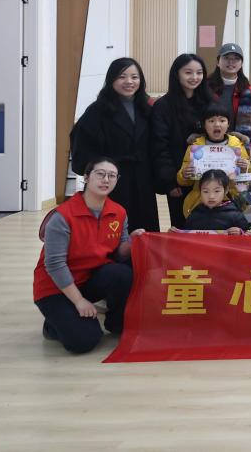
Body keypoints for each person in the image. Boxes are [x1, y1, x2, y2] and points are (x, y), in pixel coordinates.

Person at [33, 158, 141, 354]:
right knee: (84, 341)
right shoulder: (62, 216)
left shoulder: (118, 212)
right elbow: (54, 264)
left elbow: (118, 254)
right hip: (55, 287)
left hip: (88, 279)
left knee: (122, 273)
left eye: (112, 175)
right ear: (86, 177)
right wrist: (79, 301)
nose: (106, 179)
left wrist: (132, 242)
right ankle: (52, 324)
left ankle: (117, 323)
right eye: (100, 174)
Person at [71, 57, 157, 233]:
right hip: (111, 180)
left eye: (134, 77)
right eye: (122, 77)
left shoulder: (147, 108)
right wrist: (95, 171)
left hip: (143, 180)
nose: (129, 81)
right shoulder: (97, 110)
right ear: (111, 79)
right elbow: (81, 143)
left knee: (144, 231)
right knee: (112, 230)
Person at [149, 53, 212, 230]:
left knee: (212, 226)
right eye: (188, 72)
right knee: (182, 227)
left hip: (210, 179)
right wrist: (170, 181)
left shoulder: (210, 102)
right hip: (179, 180)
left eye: (199, 72)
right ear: (177, 74)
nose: (194, 77)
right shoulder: (163, 106)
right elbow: (159, 146)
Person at [175, 105, 251, 217]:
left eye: (222, 120)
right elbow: (183, 181)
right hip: (201, 202)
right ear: (204, 125)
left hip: (231, 202)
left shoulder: (237, 145)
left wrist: (245, 169)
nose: (217, 124)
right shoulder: (195, 147)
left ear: (228, 124)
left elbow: (248, 180)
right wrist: (184, 174)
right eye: (211, 121)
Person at [183, 169, 251, 233]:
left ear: (226, 190)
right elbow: (186, 235)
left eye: (217, 191)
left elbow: (248, 234)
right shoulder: (195, 214)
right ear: (200, 191)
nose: (211, 196)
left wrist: (240, 232)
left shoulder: (235, 216)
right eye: (206, 191)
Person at [206, 42, 251, 132]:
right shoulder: (206, 86)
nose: (231, 62)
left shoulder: (247, 89)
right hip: (209, 137)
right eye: (226, 58)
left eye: (236, 58)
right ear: (218, 62)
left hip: (237, 138)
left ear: (241, 64)